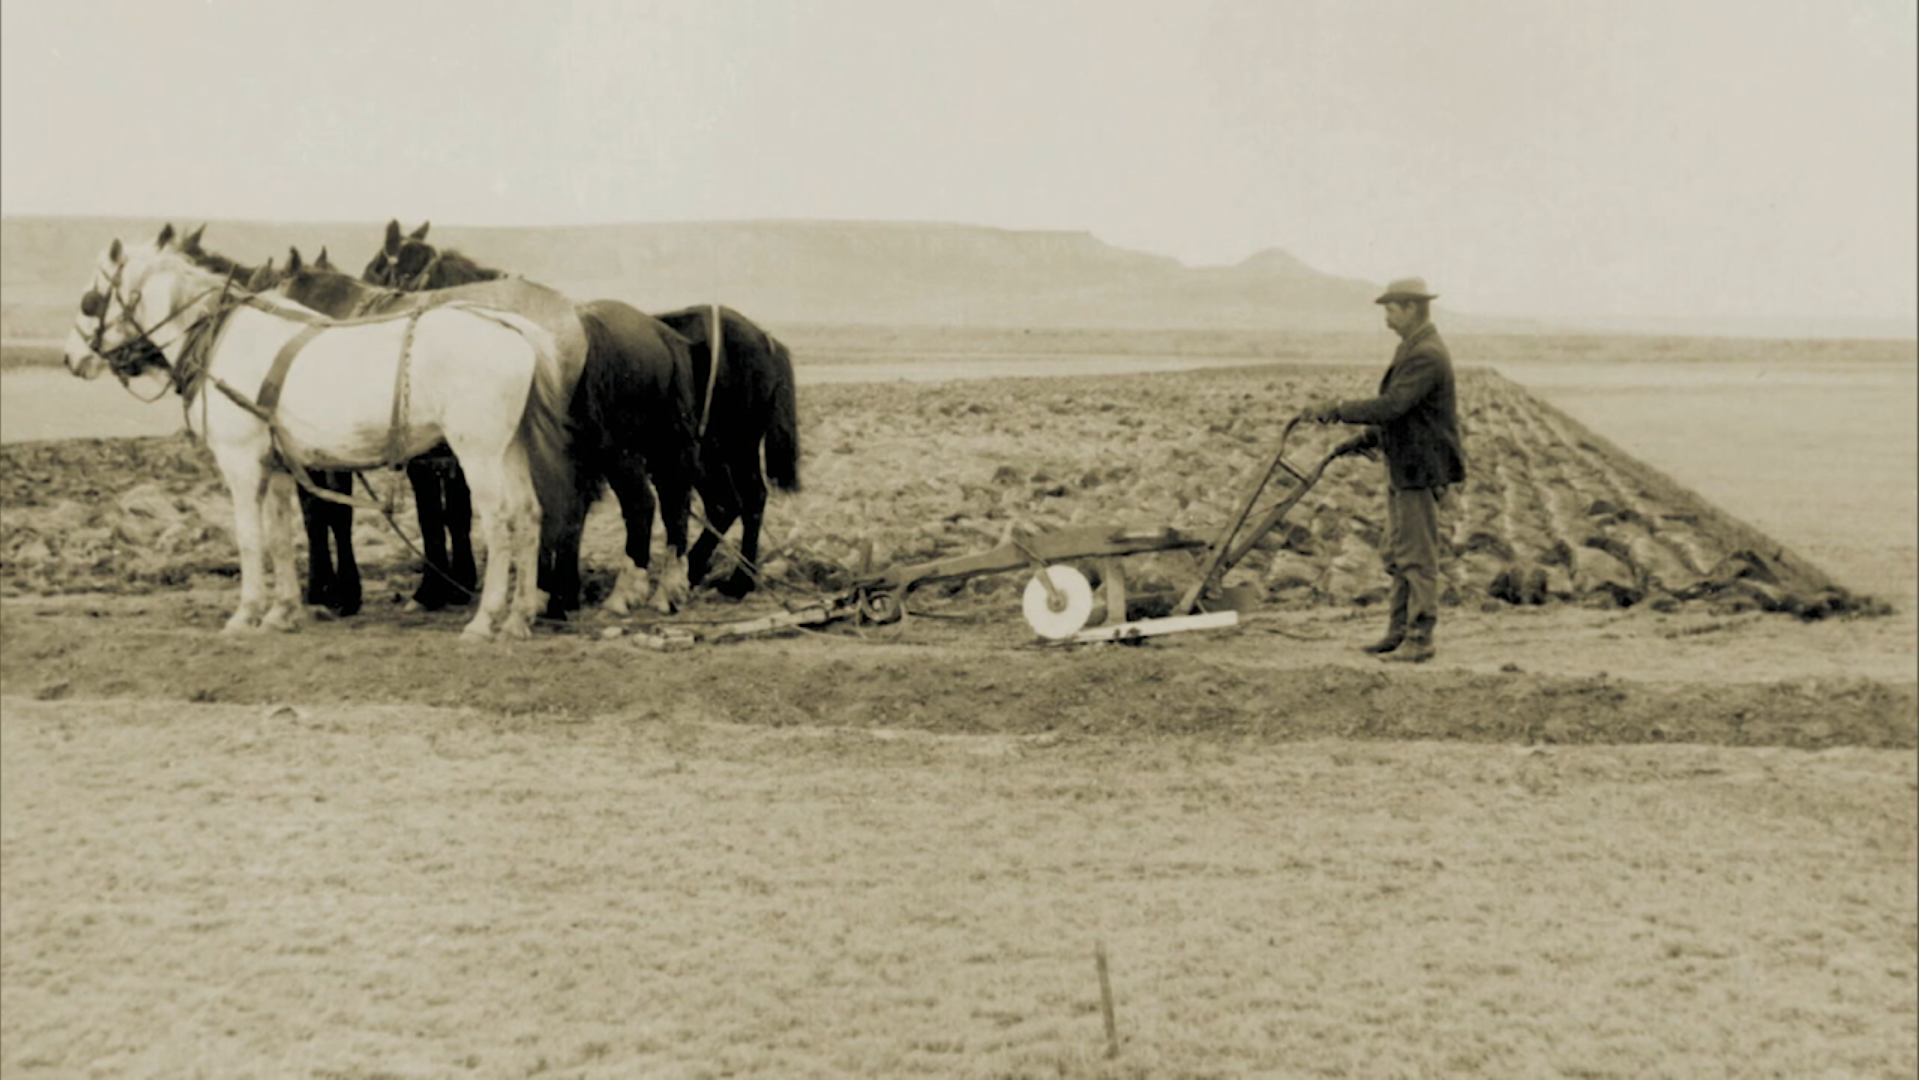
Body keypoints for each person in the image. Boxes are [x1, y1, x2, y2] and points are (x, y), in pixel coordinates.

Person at [1301, 277, 1467, 663]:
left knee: (1417, 557)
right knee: (1398, 552)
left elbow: (1393, 405)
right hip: (1405, 466)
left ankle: (1420, 638)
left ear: (1411, 308)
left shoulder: (1426, 353)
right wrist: (1362, 440)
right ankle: (1398, 631)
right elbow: (1405, 415)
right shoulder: (1413, 348)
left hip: (1420, 470)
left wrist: (1336, 408)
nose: (1386, 317)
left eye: (1391, 309)